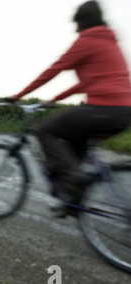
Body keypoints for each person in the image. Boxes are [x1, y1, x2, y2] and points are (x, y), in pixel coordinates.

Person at [9, 1, 131, 207]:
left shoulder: (87, 40)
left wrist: (18, 96)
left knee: (44, 131)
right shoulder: (110, 42)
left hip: (101, 110)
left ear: (82, 22)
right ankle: (72, 199)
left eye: (77, 25)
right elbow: (83, 84)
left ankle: (76, 181)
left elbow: (53, 70)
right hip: (124, 112)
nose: (76, 30)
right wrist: (53, 100)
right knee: (73, 146)